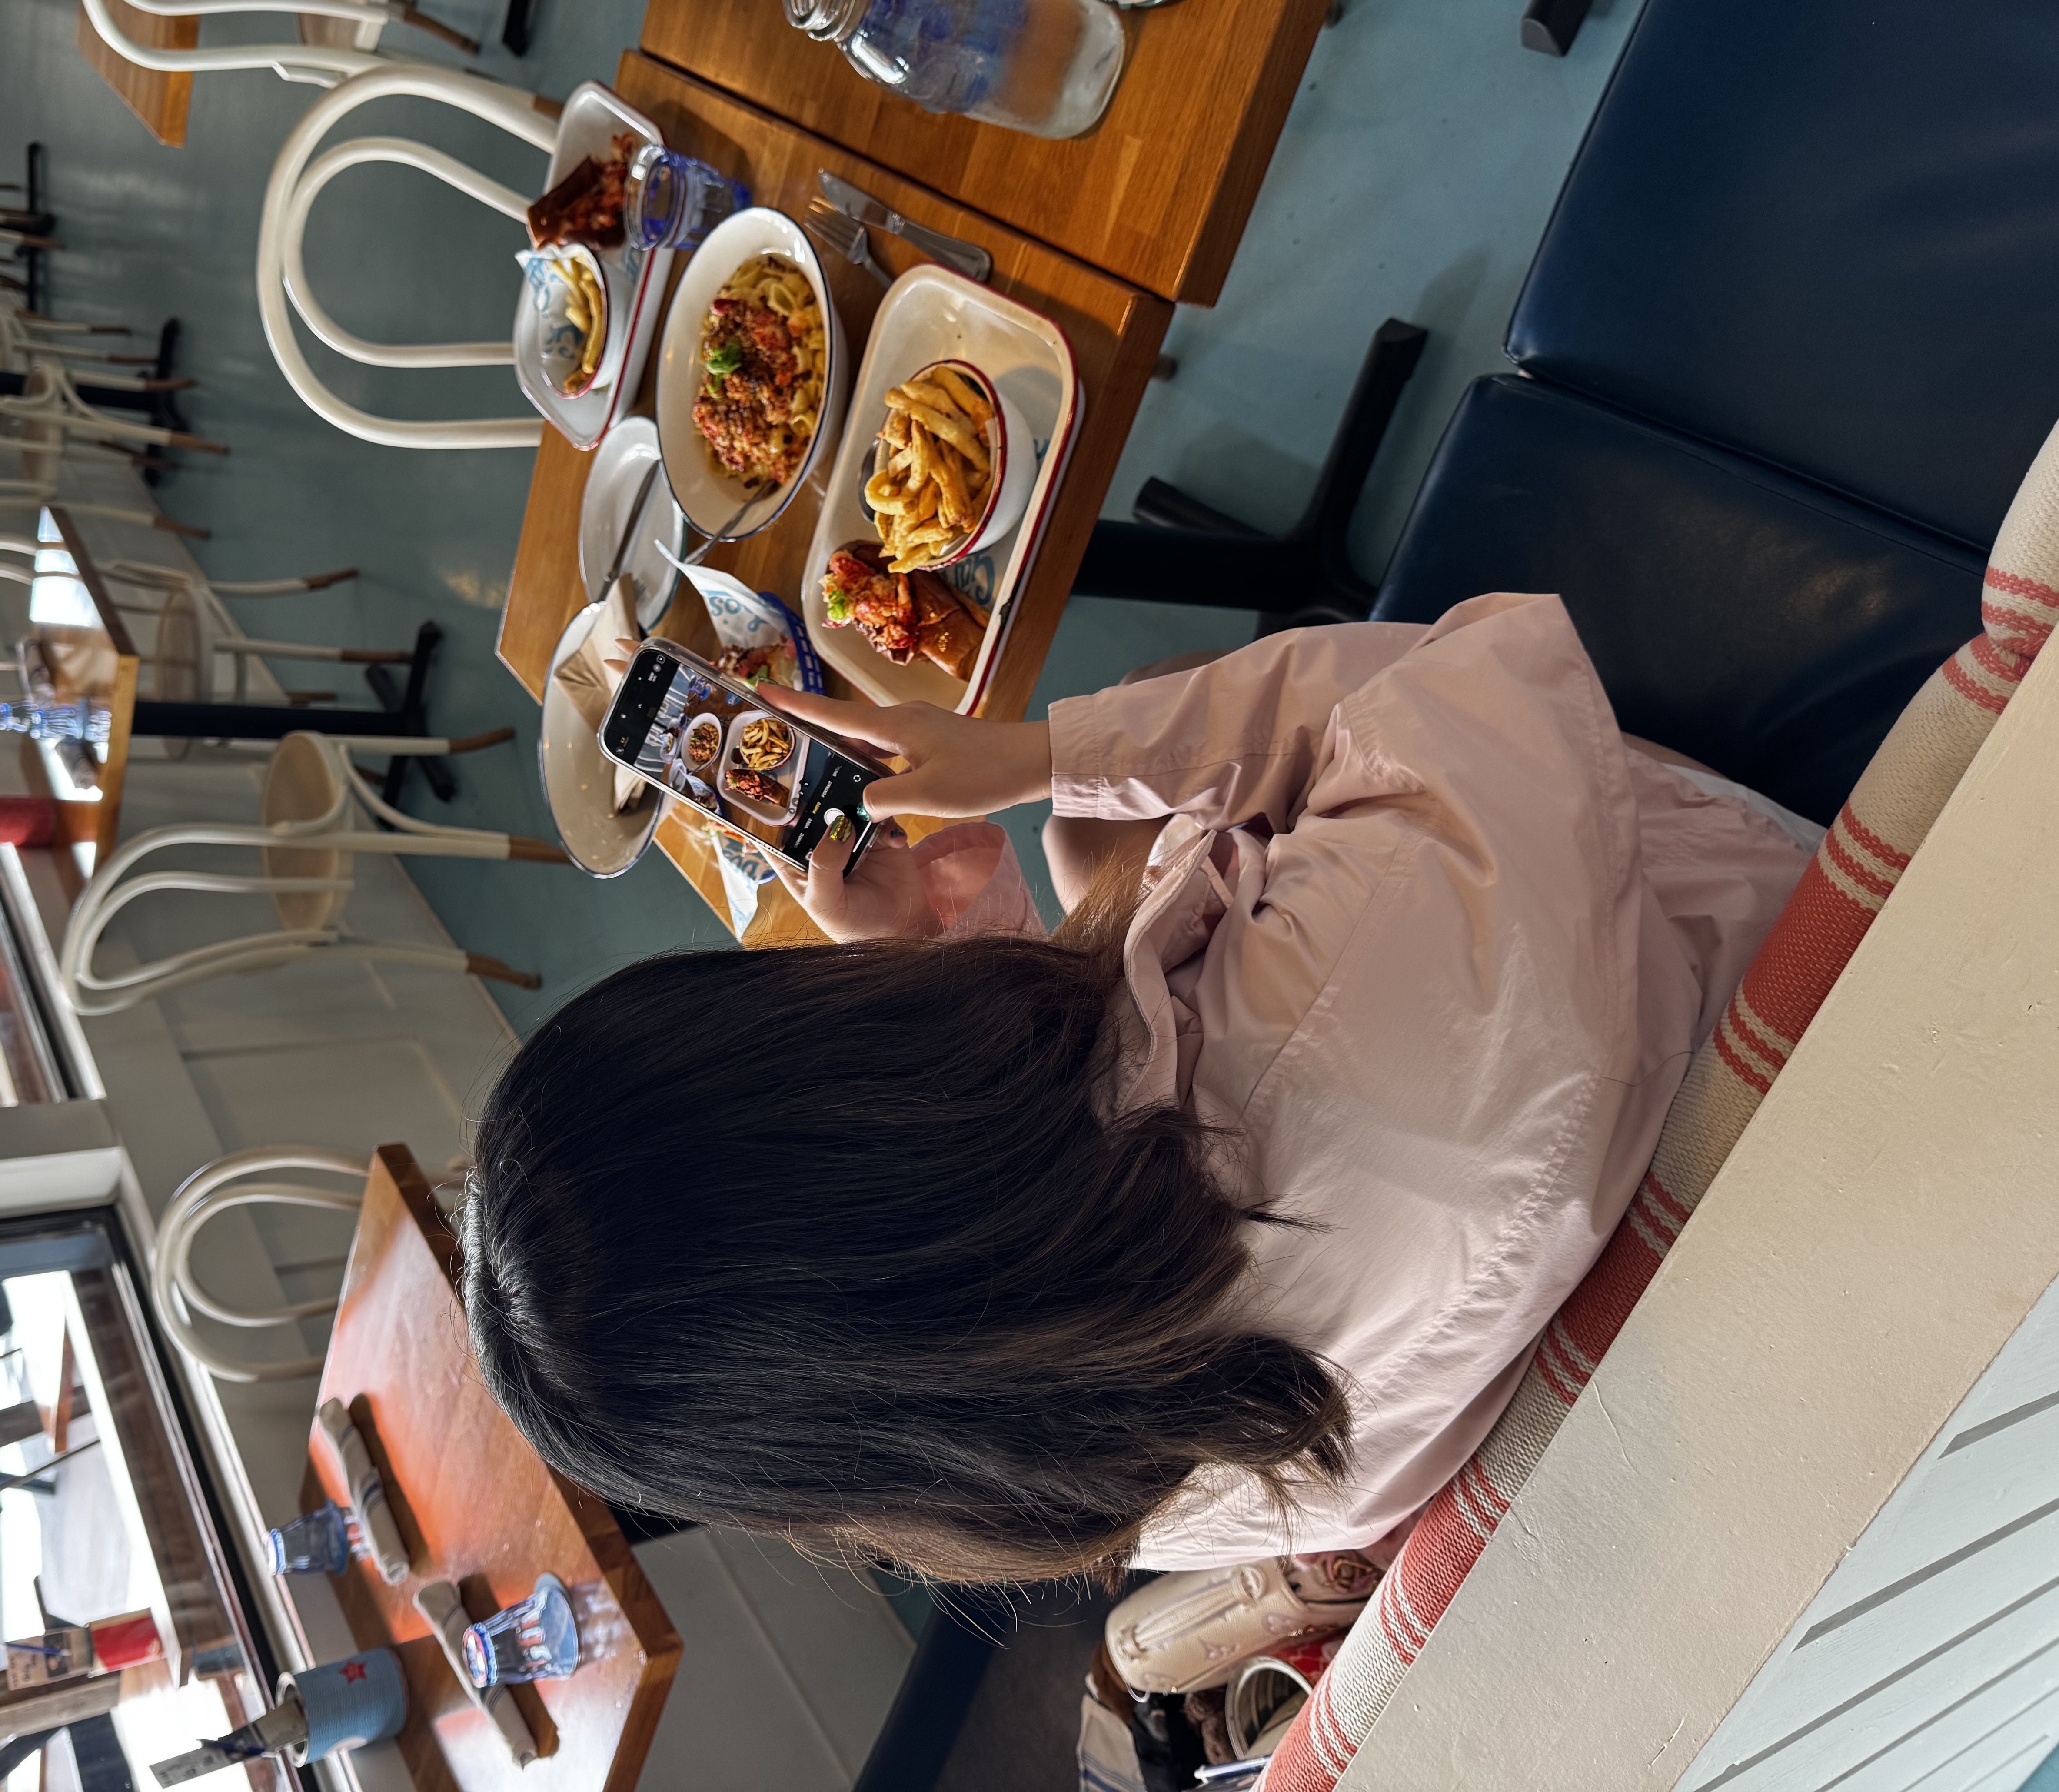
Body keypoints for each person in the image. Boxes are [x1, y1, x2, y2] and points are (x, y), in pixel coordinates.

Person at [460, 595, 1816, 1583]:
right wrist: (1039, 746)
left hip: (1598, 1242)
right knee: (1110, 780)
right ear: (811, 1060)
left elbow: (1063, 1196)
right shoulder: (1359, 975)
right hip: (1698, 972)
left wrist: (950, 964)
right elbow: (1480, 666)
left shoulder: (1116, 1486)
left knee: (1082, 846)